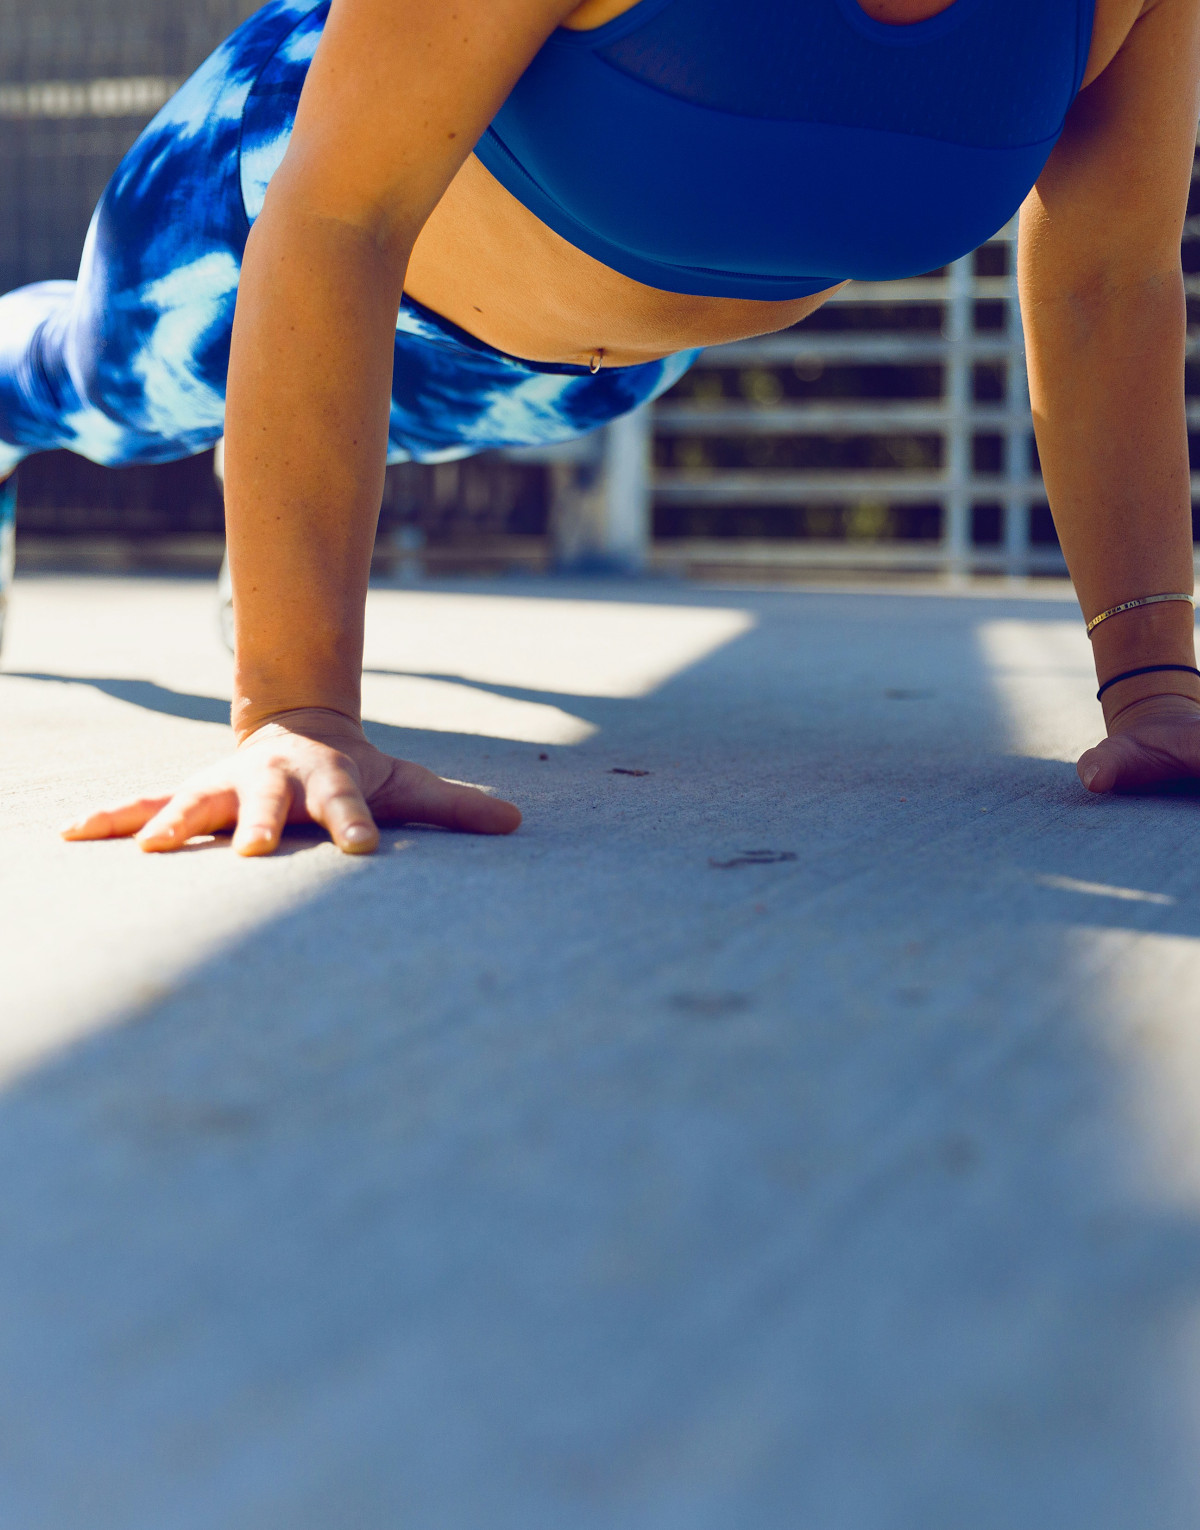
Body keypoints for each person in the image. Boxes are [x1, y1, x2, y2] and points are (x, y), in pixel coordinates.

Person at [2, 0, 1197, 855]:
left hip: (574, 380)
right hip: (267, 204)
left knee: (343, 439)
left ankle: (263, 466)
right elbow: (339, 217)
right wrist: (296, 714)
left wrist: (1155, 688)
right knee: (100, 388)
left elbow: (1110, 281)